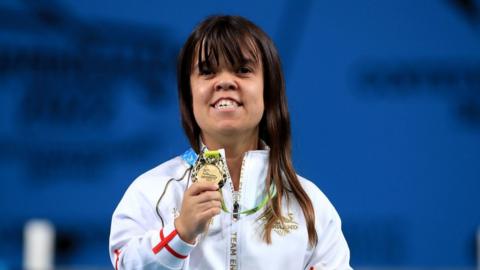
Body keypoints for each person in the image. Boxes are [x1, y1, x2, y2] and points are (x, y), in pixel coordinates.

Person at [109, 15, 352, 270]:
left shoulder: (310, 205)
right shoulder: (151, 193)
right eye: (207, 71)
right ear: (189, 94)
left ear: (268, 90)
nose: (224, 81)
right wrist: (180, 233)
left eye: (243, 70)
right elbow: (124, 264)